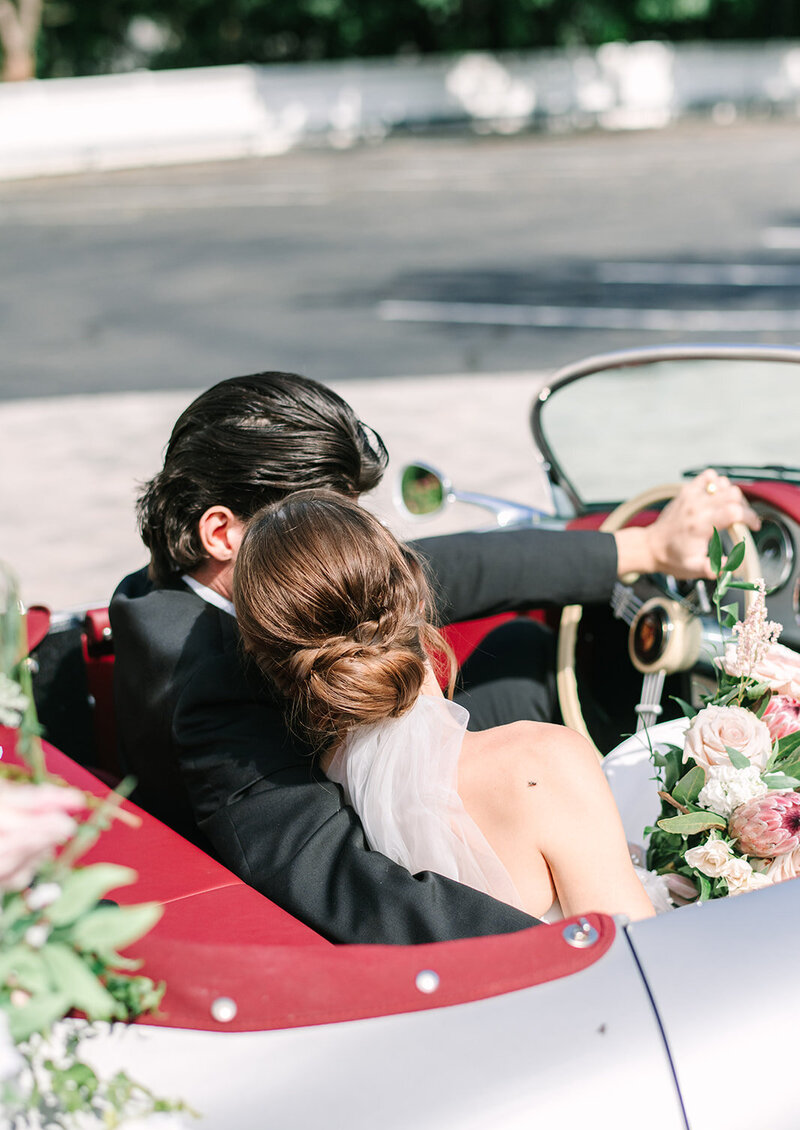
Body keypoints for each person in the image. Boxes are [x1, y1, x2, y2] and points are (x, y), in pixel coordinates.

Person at [110, 370, 757, 943]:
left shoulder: (188, 590)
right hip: (342, 898)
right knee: (553, 767)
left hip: (352, 798)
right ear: (221, 531)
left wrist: (641, 551)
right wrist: (558, 944)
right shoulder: (206, 677)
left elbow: (440, 567)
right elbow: (340, 885)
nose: (366, 548)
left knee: (521, 655)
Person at [233, 490, 655, 922]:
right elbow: (644, 956)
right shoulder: (543, 764)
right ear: (418, 596)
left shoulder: (316, 816)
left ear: (267, 660)